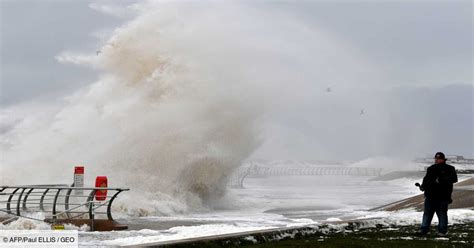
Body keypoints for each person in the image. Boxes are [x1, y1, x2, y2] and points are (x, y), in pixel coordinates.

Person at [419, 152, 458, 235]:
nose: (436, 160)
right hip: (430, 196)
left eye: (438, 158)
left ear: (443, 159)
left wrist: (441, 180)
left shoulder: (450, 169)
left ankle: (442, 231)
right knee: (427, 214)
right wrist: (423, 187)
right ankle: (424, 230)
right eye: (435, 158)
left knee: (442, 214)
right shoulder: (431, 168)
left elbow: (454, 179)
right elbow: (426, 180)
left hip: (443, 196)